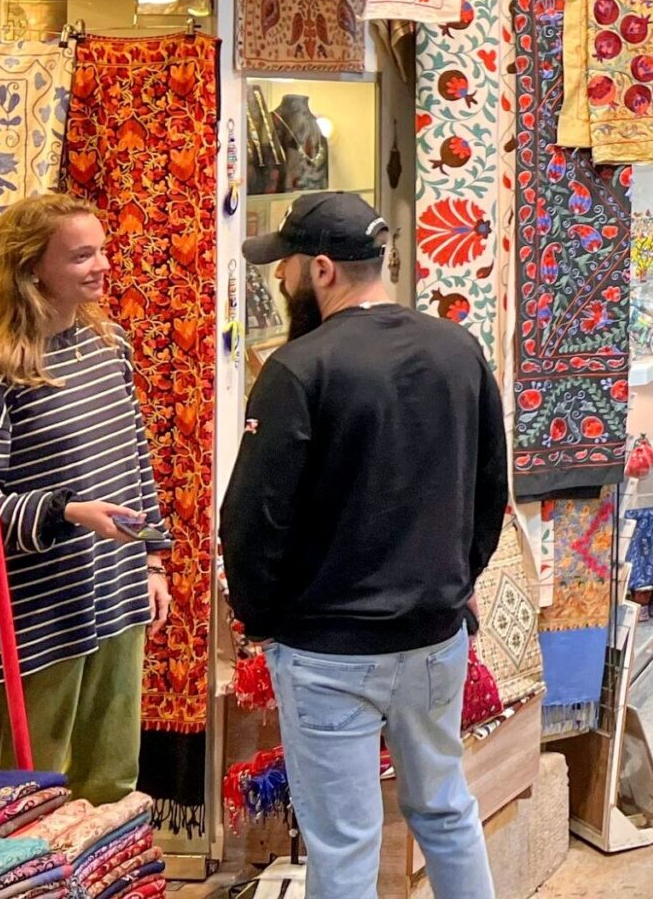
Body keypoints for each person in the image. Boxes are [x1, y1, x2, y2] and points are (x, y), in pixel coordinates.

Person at [221, 193, 505, 899]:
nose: (281, 281)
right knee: (445, 811)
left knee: (344, 846)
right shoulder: (456, 348)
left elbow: (253, 518)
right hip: (433, 636)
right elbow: (489, 486)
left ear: (321, 270)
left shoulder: (299, 368)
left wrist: (263, 619)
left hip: (328, 648)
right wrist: (453, 580)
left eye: (285, 266)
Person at [0, 193, 171, 801]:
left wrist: (152, 558)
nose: (103, 265)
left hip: (116, 599)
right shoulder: (0, 370)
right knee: (32, 793)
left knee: (113, 781)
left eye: (103, 250)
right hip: (38, 616)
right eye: (82, 256)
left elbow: (134, 458)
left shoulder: (108, 344)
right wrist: (65, 510)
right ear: (33, 267)